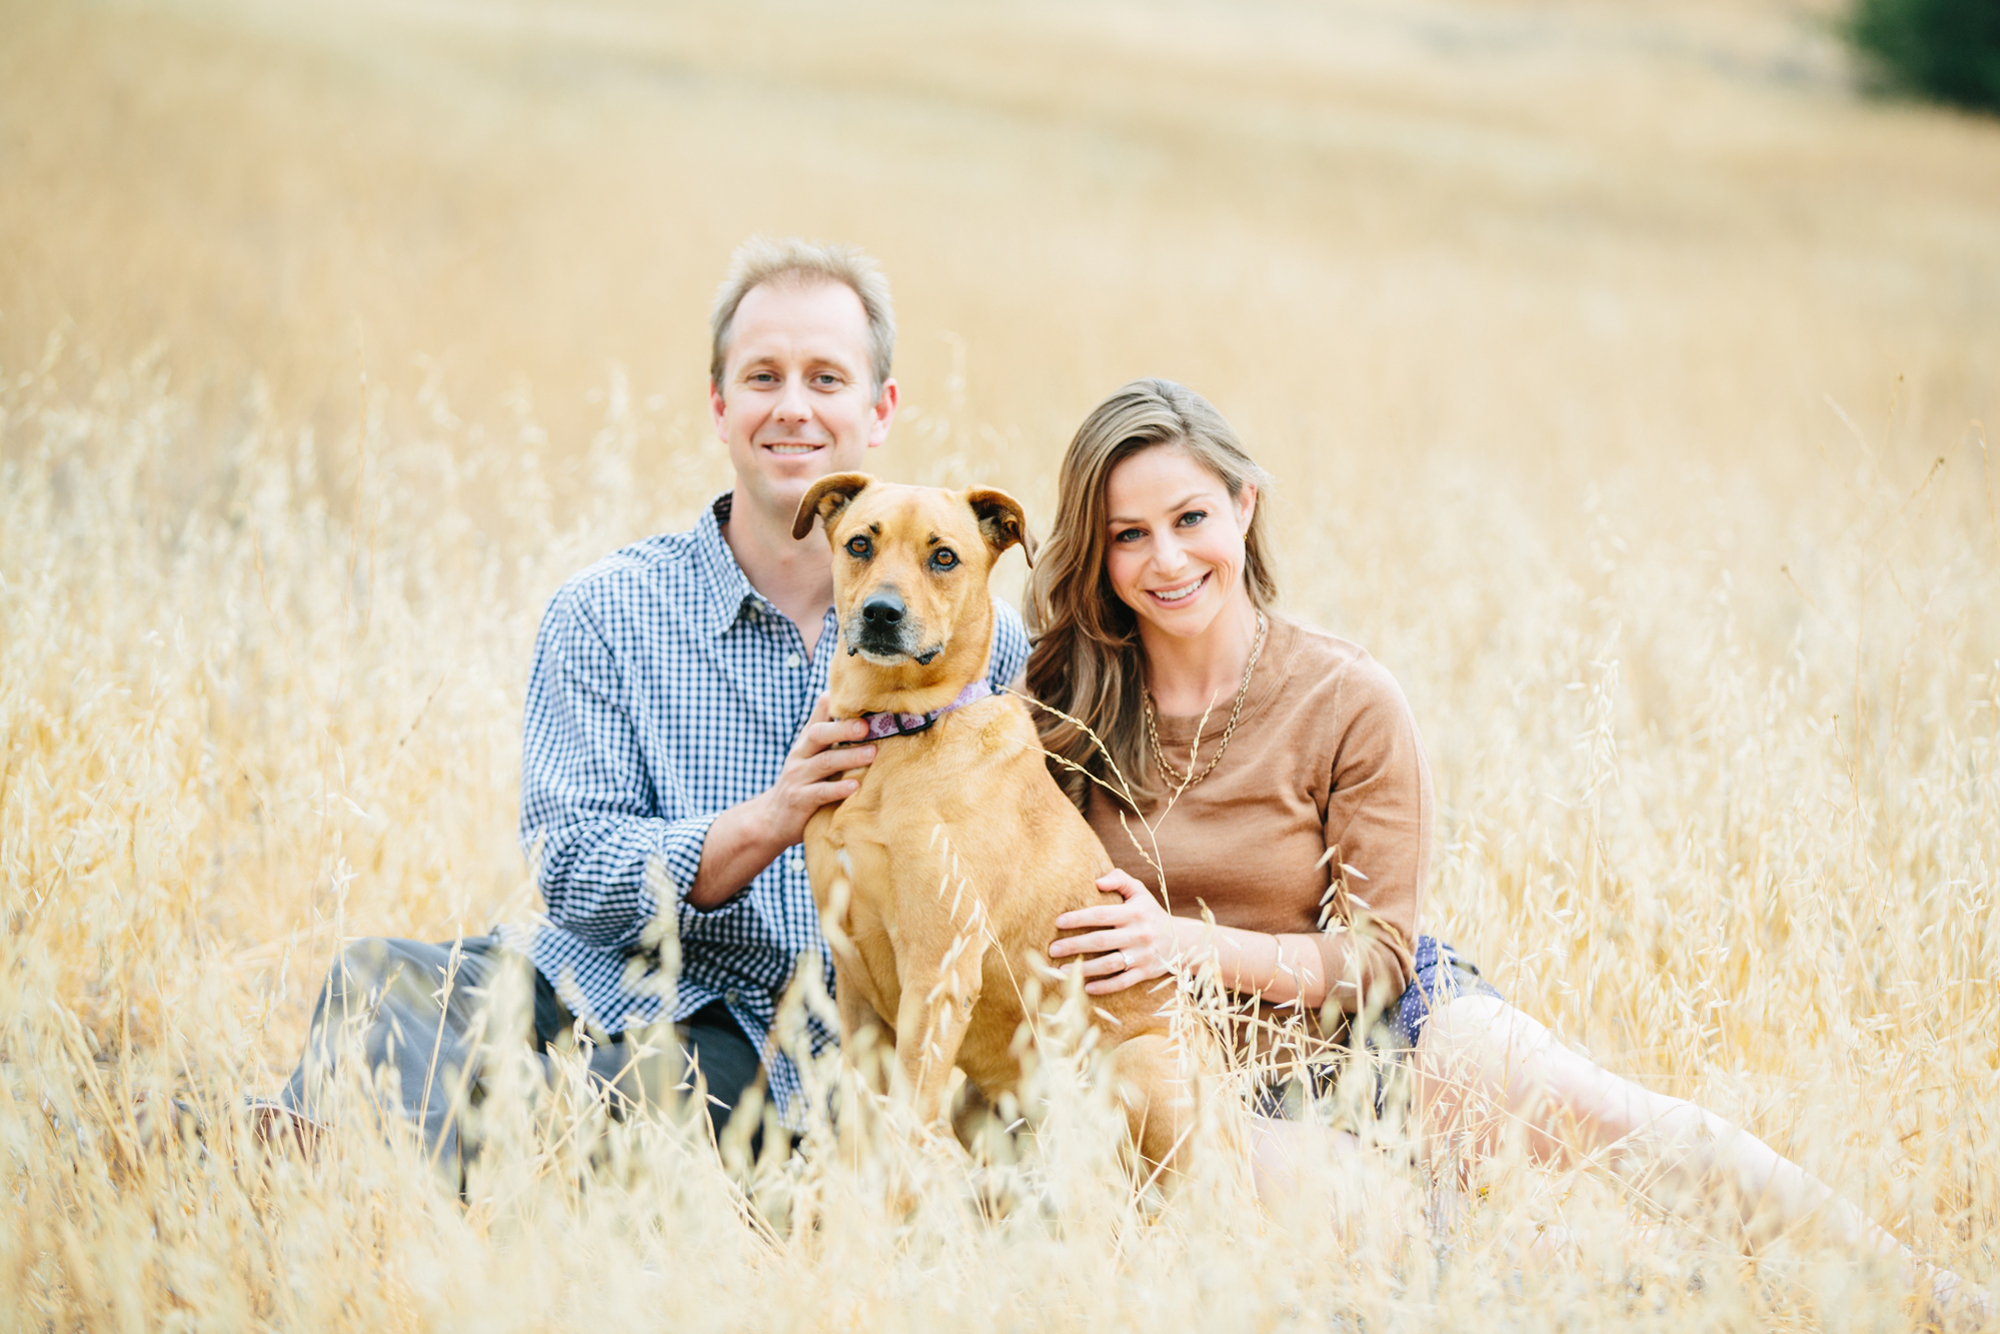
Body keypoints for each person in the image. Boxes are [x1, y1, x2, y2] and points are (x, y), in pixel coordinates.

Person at [1026, 378, 1984, 1311]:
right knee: (1424, 1246)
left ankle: (1924, 1290)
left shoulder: (1346, 697)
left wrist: (1188, 944)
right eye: (1128, 535)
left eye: (1191, 518)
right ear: (1098, 553)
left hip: (1382, 1023)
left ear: (1244, 505)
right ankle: (1711, 1293)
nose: (1167, 559)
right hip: (1203, 1084)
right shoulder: (1060, 703)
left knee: (1599, 1115)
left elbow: (1377, 959)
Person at [260, 238, 1028, 1173]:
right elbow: (572, 867)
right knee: (377, 982)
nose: (793, 406)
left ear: (881, 407)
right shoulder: (611, 610)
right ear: (720, 406)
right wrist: (767, 822)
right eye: (762, 377)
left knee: (596, 1106)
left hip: (773, 1048)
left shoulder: (976, 639)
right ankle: (327, 1157)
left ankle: (336, 1156)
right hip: (599, 978)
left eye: (827, 378)